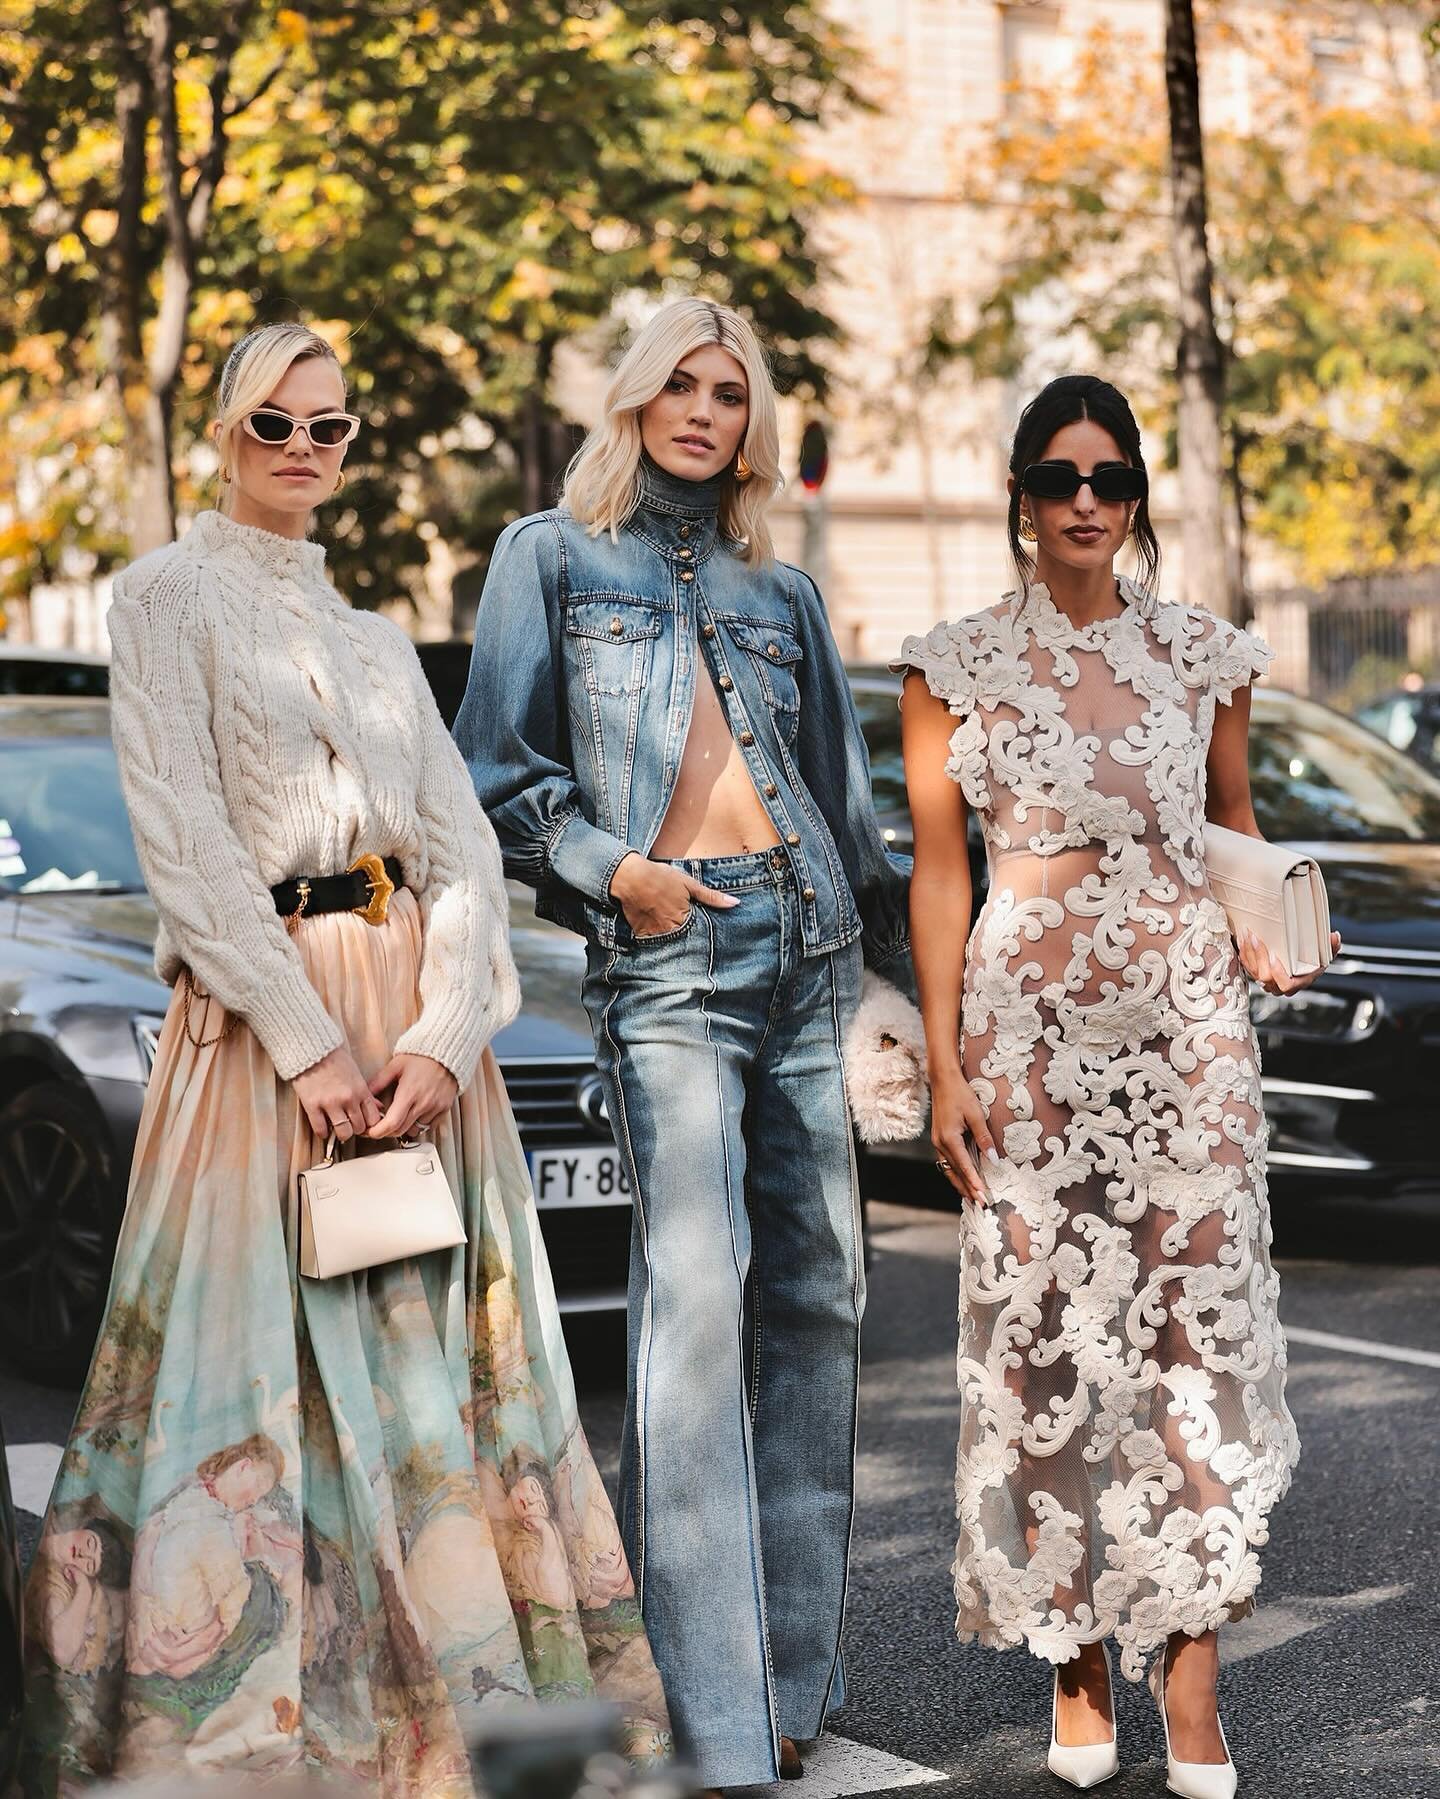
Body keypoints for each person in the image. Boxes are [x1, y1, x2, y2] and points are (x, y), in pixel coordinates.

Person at [20, 322, 670, 1793]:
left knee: (434, 1365)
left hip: (419, 1042)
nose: (305, 451)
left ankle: (465, 1709)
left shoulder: (376, 638)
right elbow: (182, 841)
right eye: (276, 426)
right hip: (263, 1034)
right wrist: (309, 1045)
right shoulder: (164, 599)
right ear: (226, 431)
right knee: (247, 1373)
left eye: (332, 428)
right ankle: (258, 1719)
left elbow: (462, 858)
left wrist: (444, 1037)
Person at [455, 297, 910, 1790]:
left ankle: (790, 1680)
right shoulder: (550, 556)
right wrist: (612, 871)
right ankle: (709, 1713)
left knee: (825, 1297)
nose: (707, 411)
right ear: (638, 399)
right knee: (697, 1303)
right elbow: (498, 770)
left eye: (732, 392)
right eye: (683, 386)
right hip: (670, 957)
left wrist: (901, 978)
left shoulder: (781, 595)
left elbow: (846, 807)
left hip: (806, 944)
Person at [896, 375, 1329, 1799]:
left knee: (1193, 1336)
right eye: (1061, 475)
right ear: (1022, 496)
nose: (1089, 499)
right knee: (1047, 1341)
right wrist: (947, 1065)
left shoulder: (1207, 656)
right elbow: (942, 872)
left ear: (1137, 498)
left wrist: (1269, 935)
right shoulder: (950, 665)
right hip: (1025, 1026)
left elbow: (1235, 830)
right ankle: (1076, 1659)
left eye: (1113, 476)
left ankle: (1192, 1674)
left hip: (1187, 1024)